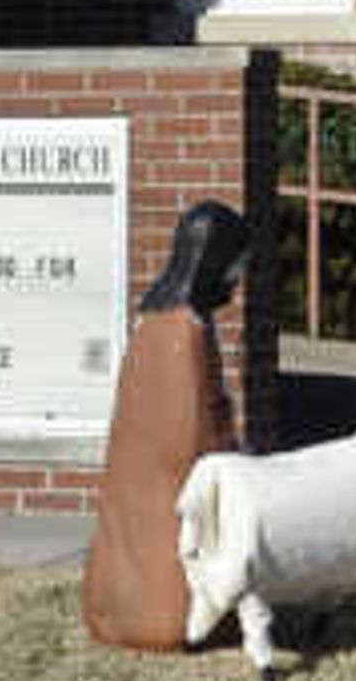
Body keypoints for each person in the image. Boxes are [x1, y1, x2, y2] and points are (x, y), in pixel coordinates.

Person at [80, 198, 246, 649]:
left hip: (145, 473)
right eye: (233, 267)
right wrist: (231, 453)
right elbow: (186, 433)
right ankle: (170, 615)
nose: (235, 281)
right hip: (171, 484)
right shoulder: (183, 330)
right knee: (164, 552)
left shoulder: (152, 319)